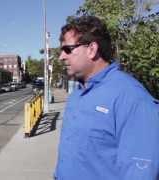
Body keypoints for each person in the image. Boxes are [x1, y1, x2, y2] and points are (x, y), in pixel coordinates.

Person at [54, 16, 159, 180]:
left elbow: (140, 171)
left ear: (91, 49)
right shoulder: (77, 95)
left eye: (67, 49)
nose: (61, 56)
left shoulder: (131, 97)